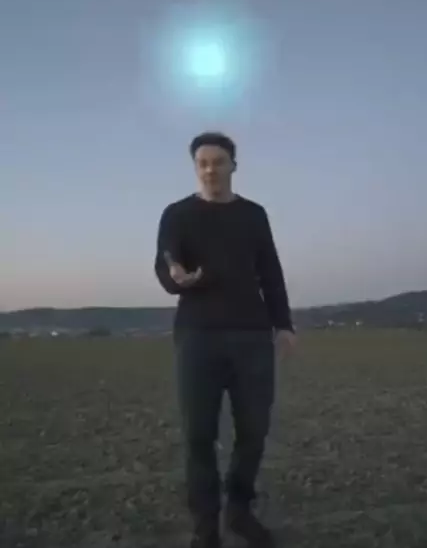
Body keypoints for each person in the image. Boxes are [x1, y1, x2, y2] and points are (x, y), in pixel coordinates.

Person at [154, 131, 295, 548]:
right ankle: (205, 526)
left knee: (254, 429)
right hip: (197, 336)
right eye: (203, 163)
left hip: (251, 334)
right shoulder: (177, 214)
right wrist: (175, 278)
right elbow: (166, 264)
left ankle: (239, 510)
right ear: (195, 168)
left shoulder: (253, 215)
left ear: (234, 165)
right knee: (198, 435)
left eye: (218, 162)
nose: (210, 169)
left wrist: (283, 324)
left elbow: (270, 270)